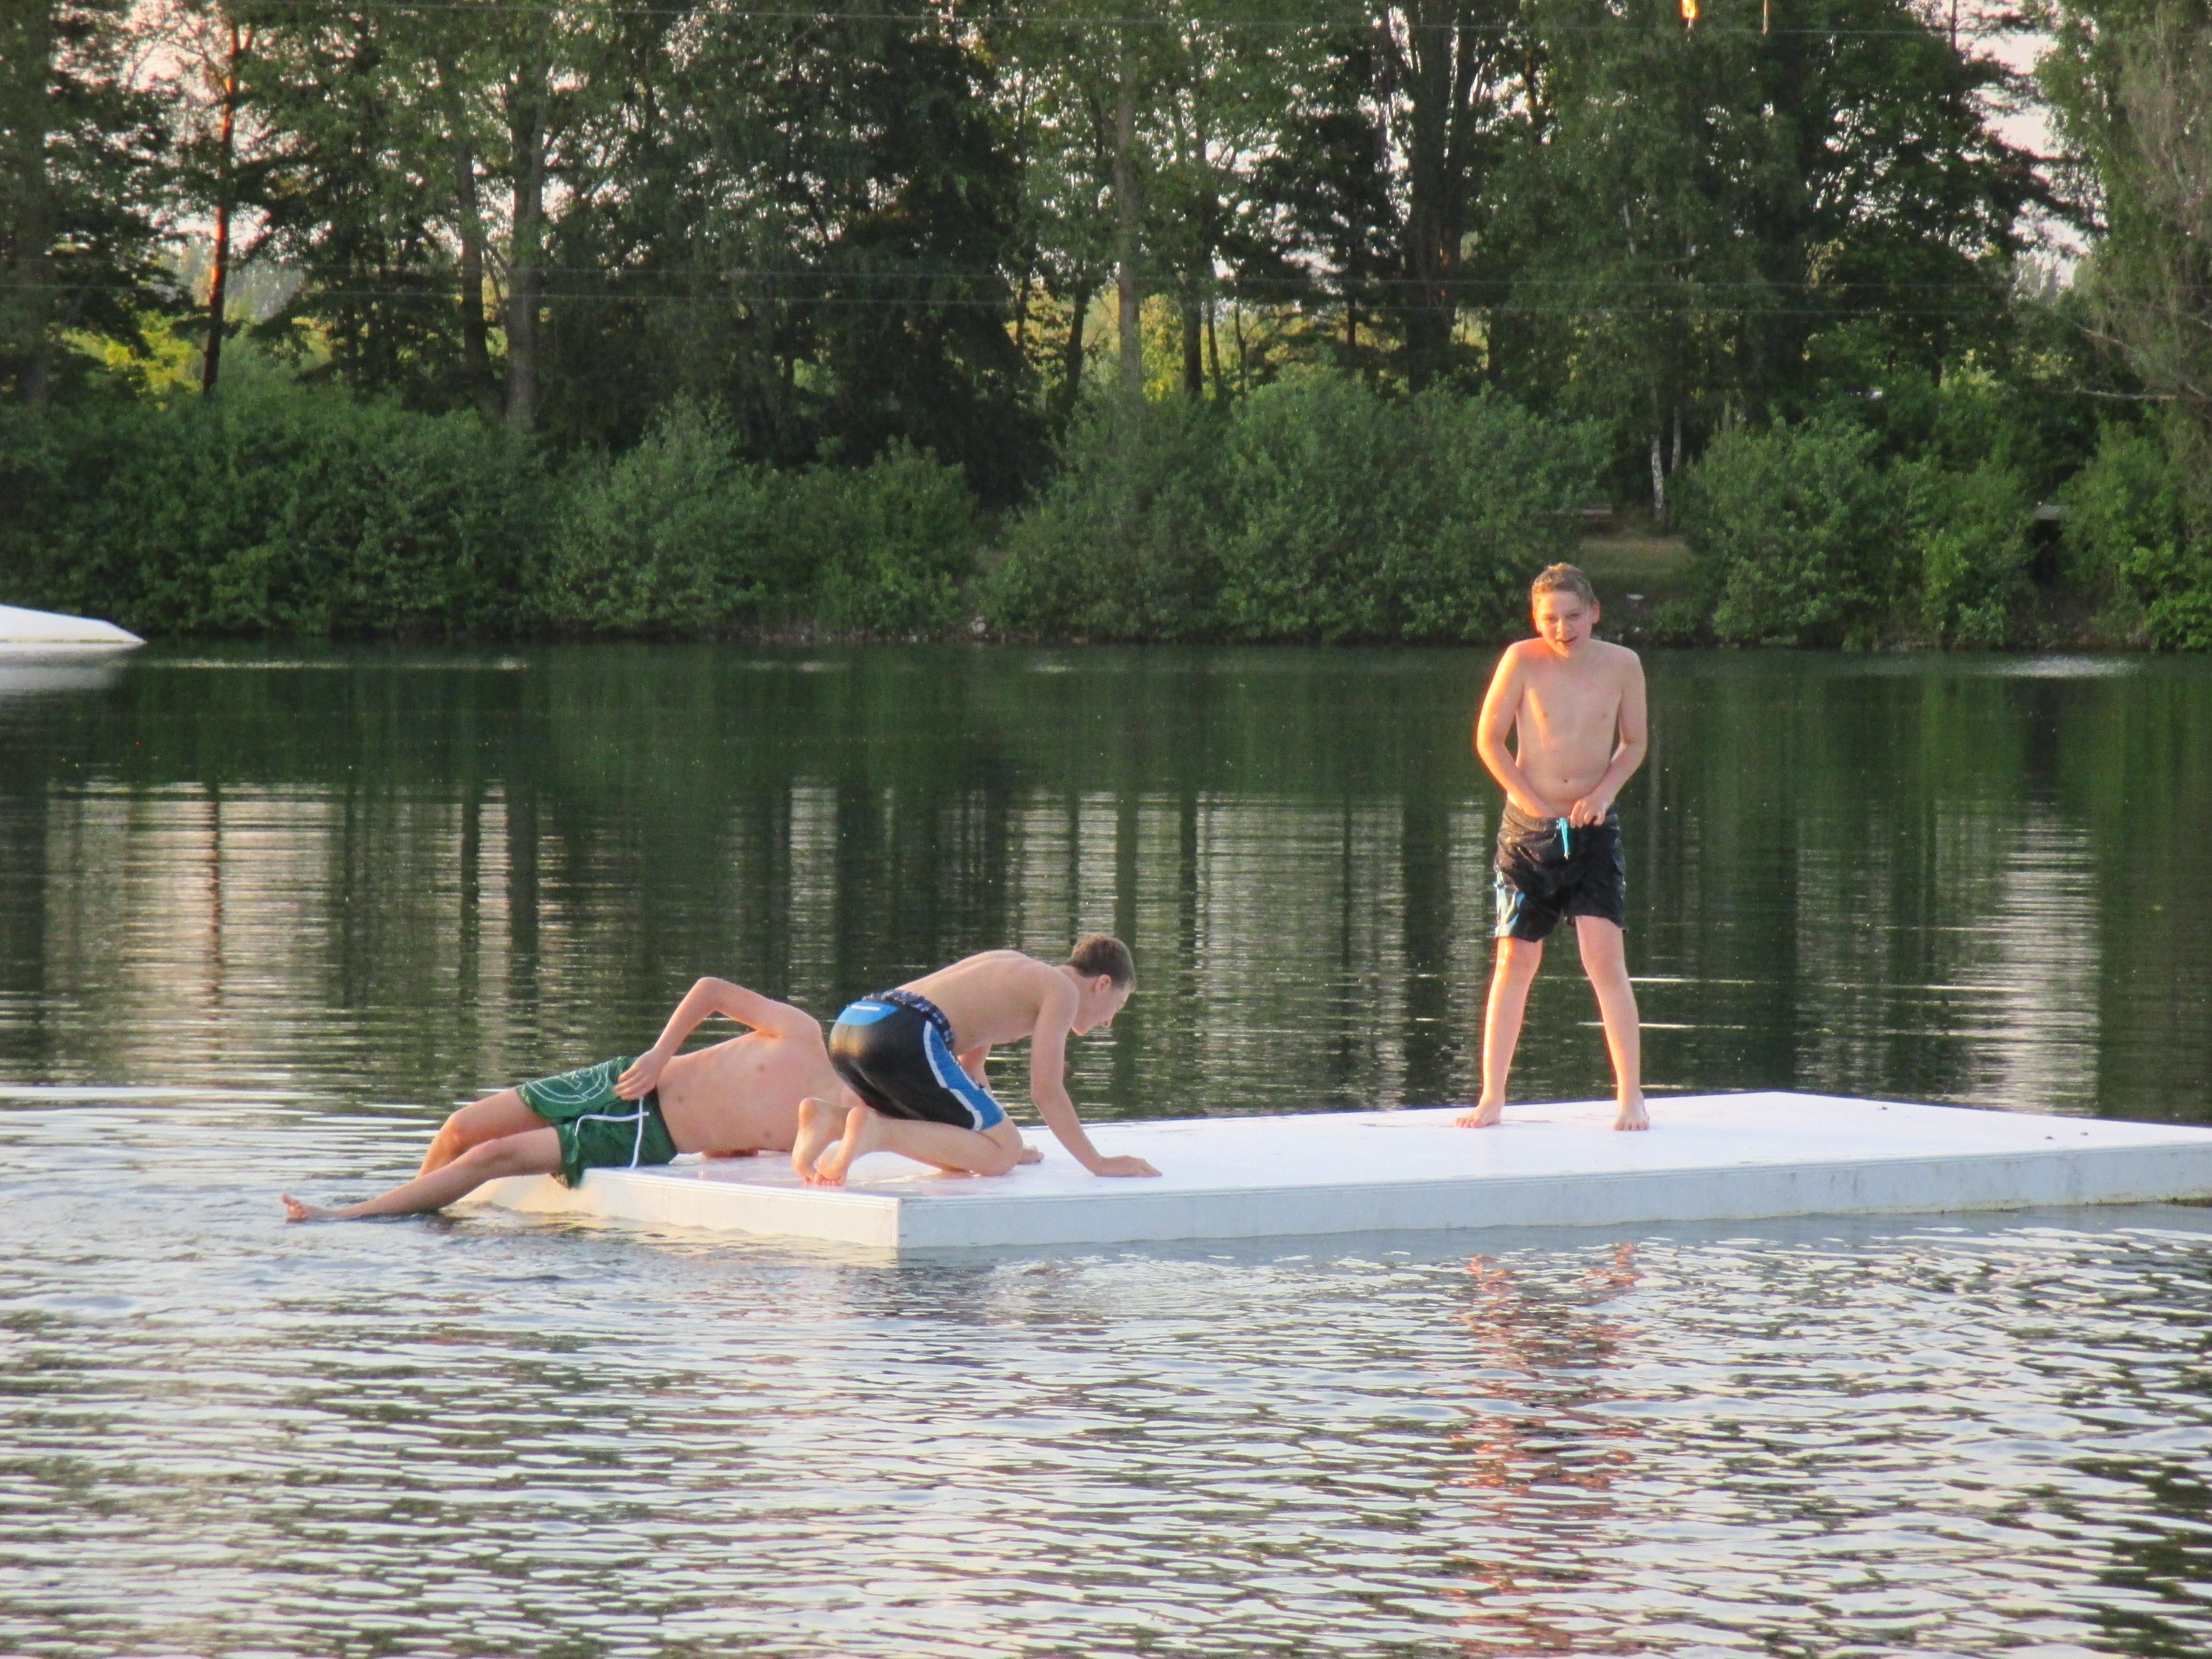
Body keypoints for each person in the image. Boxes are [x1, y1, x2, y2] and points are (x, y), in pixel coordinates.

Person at [281, 977, 850, 1220]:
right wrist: (658, 1056)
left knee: (492, 1157)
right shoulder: (803, 1034)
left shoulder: (830, 1126)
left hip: (643, 1134)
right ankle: (411, 1206)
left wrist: (728, 1146)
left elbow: (739, 1142)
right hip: (625, 1077)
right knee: (461, 1127)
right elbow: (711, 992)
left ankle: (348, 1216)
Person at [1458, 563, 1650, 1132]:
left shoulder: (1623, 664)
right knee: (1514, 958)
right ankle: (1493, 1096)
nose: (1562, 629)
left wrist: (1604, 792)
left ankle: (1631, 1096)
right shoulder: (1521, 659)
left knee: (1605, 960)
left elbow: (1634, 742)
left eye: (1573, 617)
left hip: (1593, 828)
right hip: (1528, 830)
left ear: (1595, 613)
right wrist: (1530, 800)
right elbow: (1489, 740)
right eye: (1550, 619)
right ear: (1535, 619)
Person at [794, 934, 1162, 1185]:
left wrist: (991, 1139)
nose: (1109, 1022)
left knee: (969, 1154)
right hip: (905, 1032)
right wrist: (1098, 1163)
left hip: (855, 1024)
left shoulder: (1014, 968)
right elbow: (1046, 1090)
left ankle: (831, 1120)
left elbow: (970, 1068)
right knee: (1002, 1155)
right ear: (1102, 984)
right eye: (1118, 1005)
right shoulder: (1062, 992)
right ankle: (877, 1131)